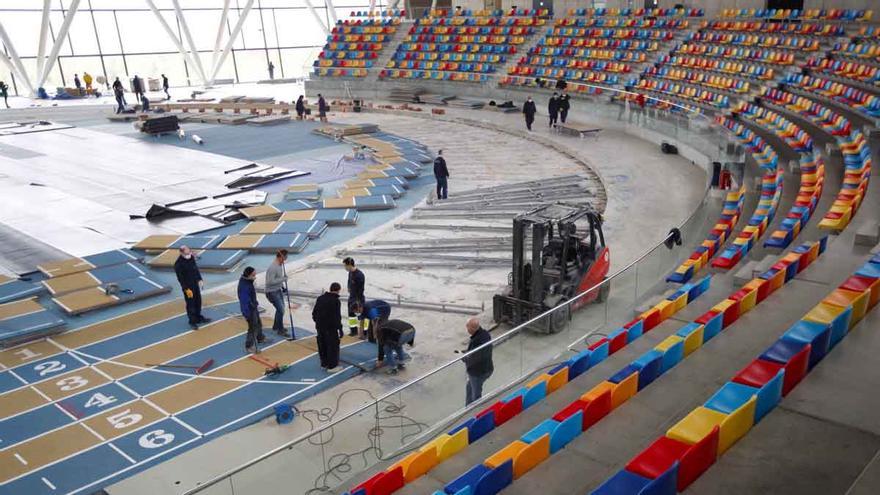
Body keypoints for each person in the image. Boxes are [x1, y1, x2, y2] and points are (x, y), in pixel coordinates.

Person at [174, 246, 210, 329]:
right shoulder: (178, 264)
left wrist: (200, 280)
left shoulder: (191, 258)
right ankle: (192, 321)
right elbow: (181, 279)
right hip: (188, 287)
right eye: (187, 251)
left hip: (195, 284)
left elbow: (195, 269)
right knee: (191, 304)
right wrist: (186, 289)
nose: (189, 252)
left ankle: (198, 317)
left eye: (189, 250)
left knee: (198, 301)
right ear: (182, 252)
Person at [312, 282, 343, 372]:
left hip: (319, 326)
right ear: (338, 290)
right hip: (330, 328)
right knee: (332, 346)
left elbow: (314, 313)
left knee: (322, 345)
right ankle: (332, 366)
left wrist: (317, 322)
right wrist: (340, 329)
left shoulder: (320, 298)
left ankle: (324, 363)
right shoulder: (336, 301)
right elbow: (337, 317)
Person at [463, 318, 493, 405]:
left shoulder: (476, 341)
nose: (467, 329)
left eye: (467, 327)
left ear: (472, 328)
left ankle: (475, 409)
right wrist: (468, 352)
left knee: (476, 394)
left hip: (478, 373)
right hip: (487, 368)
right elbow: (477, 353)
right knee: (469, 387)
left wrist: (463, 358)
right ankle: (468, 407)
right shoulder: (485, 334)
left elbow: (474, 359)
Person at [264, 249, 291, 337]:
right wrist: (283, 279)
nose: (285, 260)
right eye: (285, 258)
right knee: (281, 310)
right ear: (281, 257)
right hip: (271, 292)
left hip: (278, 290)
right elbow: (269, 282)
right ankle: (280, 329)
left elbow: (278, 278)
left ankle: (276, 326)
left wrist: (283, 287)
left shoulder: (280, 265)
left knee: (281, 309)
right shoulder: (273, 267)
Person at [238, 266, 264, 353]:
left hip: (253, 306)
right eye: (253, 275)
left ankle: (260, 338)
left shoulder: (248, 281)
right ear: (248, 275)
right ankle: (249, 346)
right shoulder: (244, 286)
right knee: (252, 327)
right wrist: (247, 314)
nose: (255, 277)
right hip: (249, 310)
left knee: (259, 323)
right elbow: (244, 302)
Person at [343, 257, 365, 337]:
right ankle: (353, 331)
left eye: (345, 266)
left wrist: (358, 301)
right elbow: (349, 281)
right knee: (351, 315)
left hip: (358, 298)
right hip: (351, 297)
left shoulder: (359, 275)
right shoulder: (350, 273)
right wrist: (349, 288)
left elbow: (361, 289)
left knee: (361, 315)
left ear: (349, 265)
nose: (344, 268)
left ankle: (365, 331)